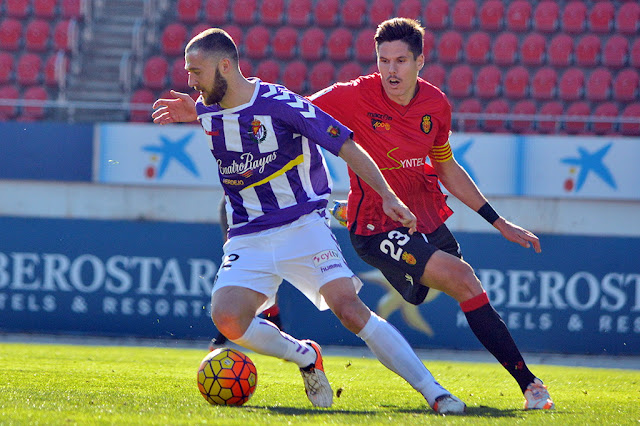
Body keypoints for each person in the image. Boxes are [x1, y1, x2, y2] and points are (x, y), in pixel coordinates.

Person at [152, 28, 466, 414]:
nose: (190, 81)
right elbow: (218, 112)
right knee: (228, 318)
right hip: (248, 235)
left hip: (303, 225)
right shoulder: (209, 108)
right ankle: (305, 357)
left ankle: (435, 392)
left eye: (195, 71)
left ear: (224, 66)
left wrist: (386, 195)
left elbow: (347, 144)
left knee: (349, 310)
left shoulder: (281, 103)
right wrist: (194, 110)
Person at [311, 18, 554, 411]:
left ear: (420, 61)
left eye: (401, 60)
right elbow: (290, 110)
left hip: (424, 218)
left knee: (430, 292)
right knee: (463, 278)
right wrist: (210, 111)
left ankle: (344, 213)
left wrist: (499, 221)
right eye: (383, 60)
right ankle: (532, 385)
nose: (390, 70)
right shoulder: (352, 96)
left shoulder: (436, 105)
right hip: (375, 228)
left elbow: (447, 167)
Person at [209, 196, 284, 350]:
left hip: (264, 227)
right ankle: (221, 339)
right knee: (248, 284)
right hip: (243, 232)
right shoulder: (232, 197)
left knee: (264, 284)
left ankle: (220, 340)